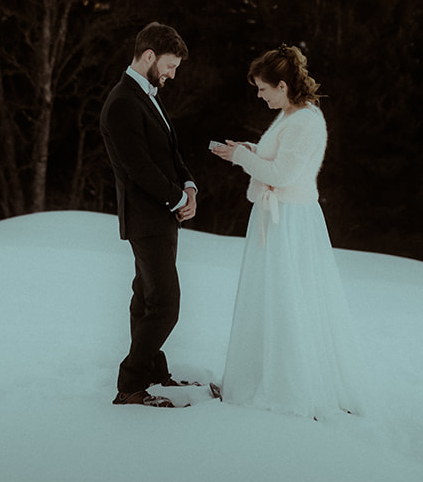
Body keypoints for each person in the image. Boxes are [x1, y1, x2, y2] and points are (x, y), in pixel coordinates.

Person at [210, 44, 371, 419]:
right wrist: (247, 149)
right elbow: (275, 160)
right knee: (271, 298)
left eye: (263, 88)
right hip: (275, 217)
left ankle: (291, 384)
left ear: (282, 85)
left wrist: (241, 158)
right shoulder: (288, 116)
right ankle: (259, 374)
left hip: (292, 222)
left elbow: (282, 175)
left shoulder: (306, 121)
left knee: (290, 299)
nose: (259, 95)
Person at [100, 21, 203, 408]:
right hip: (146, 218)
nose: (172, 74)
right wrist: (177, 199)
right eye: (170, 65)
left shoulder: (147, 95)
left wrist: (189, 187)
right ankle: (129, 385)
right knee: (166, 305)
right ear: (148, 57)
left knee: (145, 299)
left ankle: (154, 374)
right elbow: (138, 167)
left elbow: (169, 152)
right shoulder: (122, 102)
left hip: (161, 216)